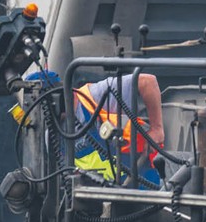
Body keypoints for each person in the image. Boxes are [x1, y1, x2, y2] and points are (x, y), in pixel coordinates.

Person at [30, 71, 165, 183]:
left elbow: (147, 82)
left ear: (55, 97)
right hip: (94, 199)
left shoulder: (95, 95)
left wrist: (157, 129)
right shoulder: (52, 136)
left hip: (139, 183)